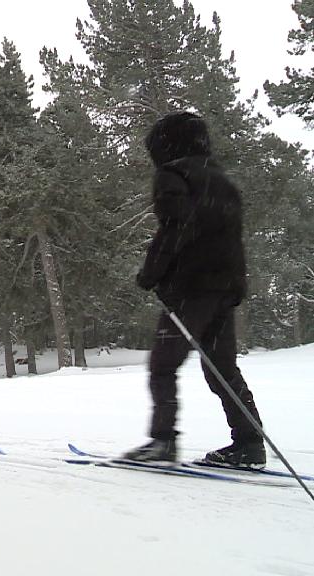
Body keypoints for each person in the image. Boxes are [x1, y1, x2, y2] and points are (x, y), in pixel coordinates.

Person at [124, 111, 265, 467]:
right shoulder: (221, 181)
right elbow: (231, 239)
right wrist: (234, 285)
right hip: (224, 288)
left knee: (162, 365)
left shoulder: (173, 175)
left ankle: (163, 442)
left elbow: (174, 228)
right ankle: (250, 444)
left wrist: (151, 274)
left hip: (191, 288)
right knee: (223, 369)